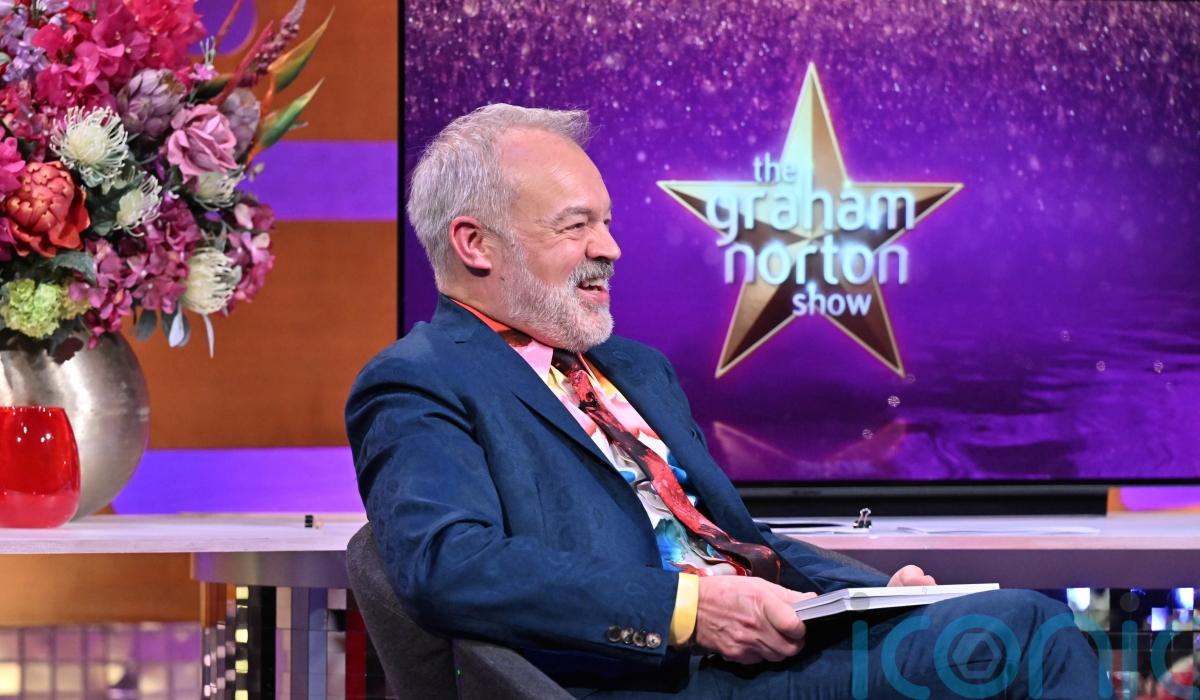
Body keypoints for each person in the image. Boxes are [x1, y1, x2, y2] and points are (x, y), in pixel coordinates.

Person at [346, 104, 1102, 698]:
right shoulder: (418, 379)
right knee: (1025, 634)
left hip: (763, 653)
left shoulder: (634, 369)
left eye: (606, 222)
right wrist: (688, 611)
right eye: (576, 226)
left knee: (1002, 623)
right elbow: (449, 564)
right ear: (474, 244)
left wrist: (877, 596)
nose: (610, 247)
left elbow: (733, 539)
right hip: (646, 674)